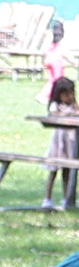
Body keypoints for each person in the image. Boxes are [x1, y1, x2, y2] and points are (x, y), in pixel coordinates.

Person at [44, 73, 77, 212]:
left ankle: (67, 198)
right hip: (59, 142)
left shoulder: (74, 105)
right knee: (53, 171)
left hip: (72, 142)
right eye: (66, 94)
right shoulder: (56, 106)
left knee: (68, 171)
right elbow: (53, 116)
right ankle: (47, 198)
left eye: (72, 93)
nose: (69, 97)